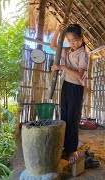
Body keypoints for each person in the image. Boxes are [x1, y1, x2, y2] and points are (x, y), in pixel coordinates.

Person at [50, 23, 89, 164]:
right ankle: (65, 146)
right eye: (69, 40)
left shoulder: (83, 54)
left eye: (75, 40)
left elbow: (79, 75)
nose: (72, 43)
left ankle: (72, 149)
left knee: (73, 118)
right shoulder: (67, 50)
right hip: (66, 86)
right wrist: (57, 31)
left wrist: (61, 67)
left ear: (81, 38)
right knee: (64, 116)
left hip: (76, 88)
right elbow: (53, 46)